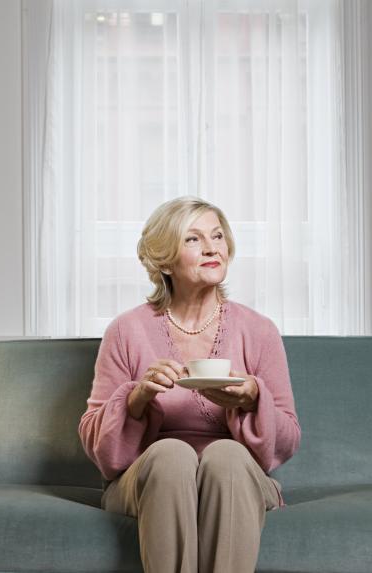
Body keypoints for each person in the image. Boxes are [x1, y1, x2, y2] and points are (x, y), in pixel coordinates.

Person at [79, 196, 301, 573]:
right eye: (194, 239)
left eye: (217, 236)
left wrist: (252, 399)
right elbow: (101, 451)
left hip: (236, 477)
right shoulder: (126, 330)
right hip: (150, 477)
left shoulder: (259, 331)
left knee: (227, 457)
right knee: (171, 454)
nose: (213, 247)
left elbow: (287, 440)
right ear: (164, 259)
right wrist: (137, 397)